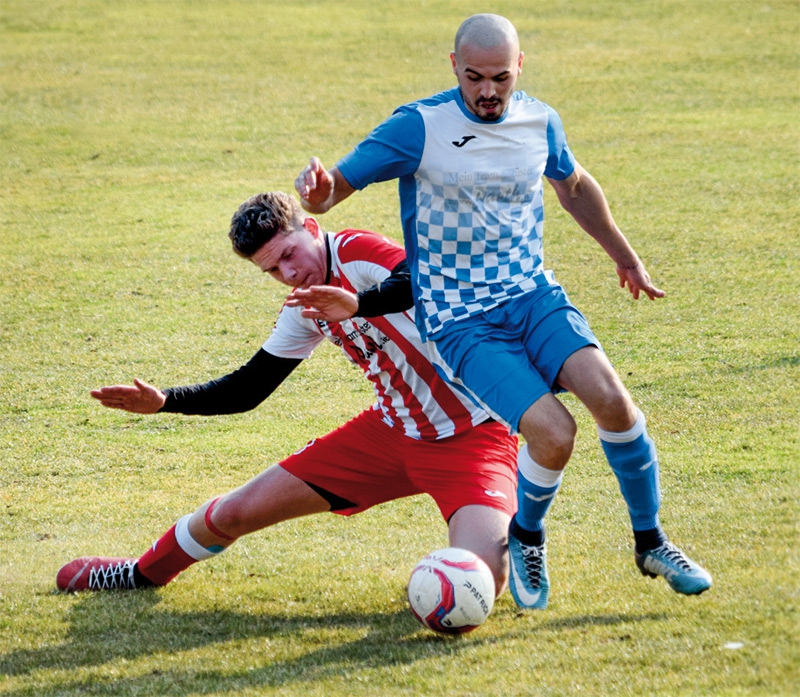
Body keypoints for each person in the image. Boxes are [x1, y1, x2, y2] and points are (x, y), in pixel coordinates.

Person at [293, 13, 711, 610]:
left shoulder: (539, 120)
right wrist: (318, 195)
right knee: (554, 434)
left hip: (531, 296)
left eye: (500, 78)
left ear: (519, 67)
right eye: (474, 78)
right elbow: (336, 187)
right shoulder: (418, 127)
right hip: (459, 319)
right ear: (454, 68)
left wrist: (626, 257)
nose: (487, 91)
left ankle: (652, 542)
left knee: (614, 403)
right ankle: (528, 534)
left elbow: (573, 185)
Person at [56, 191, 518, 598]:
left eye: (290, 254)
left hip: (475, 436)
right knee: (234, 513)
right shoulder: (304, 306)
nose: (290, 272)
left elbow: (418, 278)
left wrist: (358, 304)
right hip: (391, 434)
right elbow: (249, 388)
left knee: (484, 580)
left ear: (311, 228)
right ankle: (139, 573)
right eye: (273, 269)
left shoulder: (354, 252)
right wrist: (166, 401)